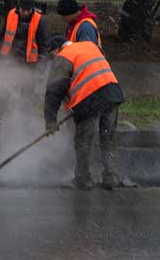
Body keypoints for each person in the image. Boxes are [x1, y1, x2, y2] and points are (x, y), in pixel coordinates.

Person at [44, 35, 125, 191]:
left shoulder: (63, 56)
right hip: (112, 93)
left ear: (56, 49)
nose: (52, 59)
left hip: (90, 100)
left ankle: (84, 179)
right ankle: (110, 177)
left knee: (84, 141)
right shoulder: (89, 45)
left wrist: (50, 121)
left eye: (51, 55)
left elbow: (54, 92)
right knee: (107, 139)